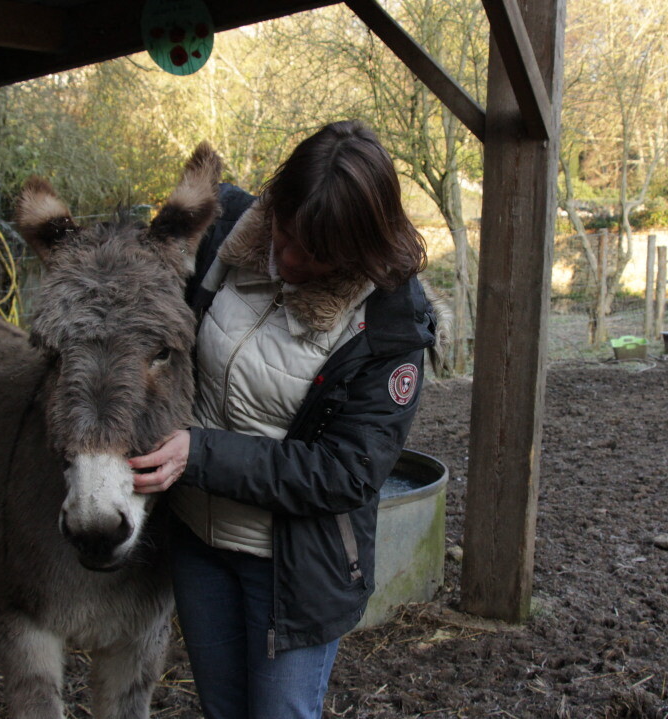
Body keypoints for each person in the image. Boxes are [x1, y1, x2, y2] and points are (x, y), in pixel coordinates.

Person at [130, 120, 439, 719]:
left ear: (361, 247)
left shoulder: (392, 325)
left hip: (294, 569)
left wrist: (200, 454)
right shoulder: (226, 233)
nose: (289, 260)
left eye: (318, 255)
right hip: (200, 538)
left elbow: (345, 473)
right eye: (286, 232)